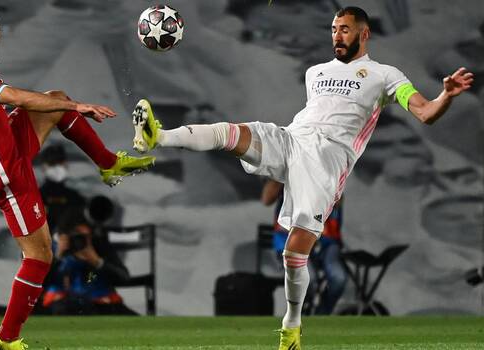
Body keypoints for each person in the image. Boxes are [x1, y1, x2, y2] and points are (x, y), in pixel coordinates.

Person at [131, 6, 473, 349]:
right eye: (335, 29)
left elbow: (425, 113)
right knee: (230, 133)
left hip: (326, 163)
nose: (337, 36)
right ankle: (158, 137)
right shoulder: (316, 72)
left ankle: (291, 326)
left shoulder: (386, 75)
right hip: (292, 139)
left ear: (364, 34)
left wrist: (445, 95)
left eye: (345, 30)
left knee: (295, 252)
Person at [0, 1, 154, 349]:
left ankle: (108, 163)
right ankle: (5, 339)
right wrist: (80, 107)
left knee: (56, 99)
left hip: (4, 148)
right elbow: (16, 96)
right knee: (40, 256)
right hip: (5, 175)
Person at [262, 179, 346, 316]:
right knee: (307, 278)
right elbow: (266, 199)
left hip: (326, 242)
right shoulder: (289, 164)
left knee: (338, 278)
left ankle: (320, 317)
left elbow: (338, 201)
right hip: (291, 239)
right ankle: (299, 316)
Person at [42, 207, 136, 316]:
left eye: (85, 236)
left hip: (103, 304)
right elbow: (38, 283)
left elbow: (123, 278)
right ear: (64, 236)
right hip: (63, 306)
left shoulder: (99, 246)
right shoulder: (50, 249)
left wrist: (98, 262)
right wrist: (57, 258)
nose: (80, 241)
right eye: (77, 236)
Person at [38, 143, 86, 234]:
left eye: (60, 163)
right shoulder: (35, 199)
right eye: (52, 164)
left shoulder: (75, 198)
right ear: (44, 167)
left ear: (65, 165)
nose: (57, 167)